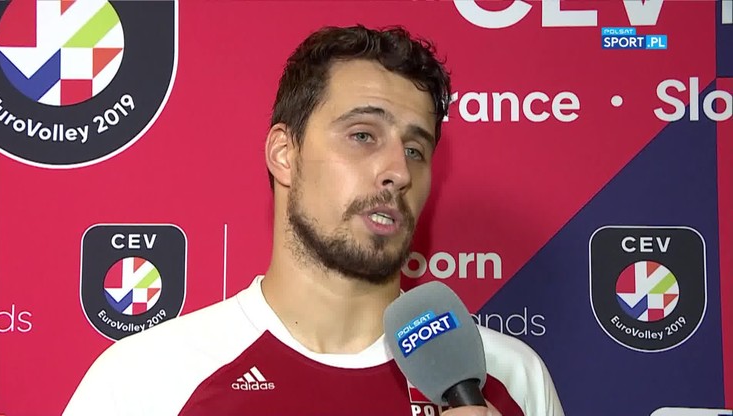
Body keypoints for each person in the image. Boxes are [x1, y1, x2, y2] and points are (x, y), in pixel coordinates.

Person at [64, 25, 564, 416]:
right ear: (284, 154)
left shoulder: (506, 378)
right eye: (363, 135)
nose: (397, 171)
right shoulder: (146, 379)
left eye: (415, 149)